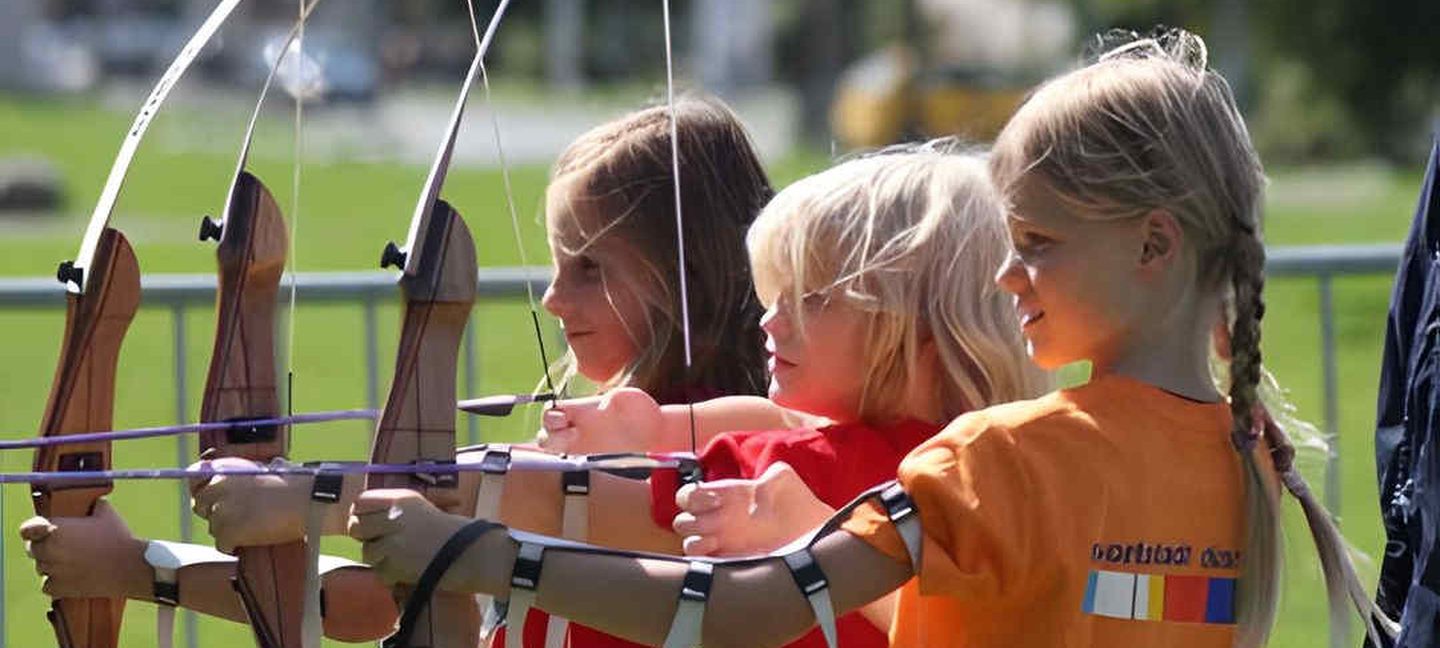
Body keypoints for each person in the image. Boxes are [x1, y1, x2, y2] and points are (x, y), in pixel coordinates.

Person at [348, 28, 1395, 648]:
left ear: (1155, 245)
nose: (1003, 272)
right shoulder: (1244, 458)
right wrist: (814, 529)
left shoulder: (999, 457)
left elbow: (746, 611)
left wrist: (481, 555)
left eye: (1035, 241)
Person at [17, 95, 774, 646]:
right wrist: (131, 566)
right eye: (554, 264)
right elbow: (370, 603)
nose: (552, 296)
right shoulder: (580, 438)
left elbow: (528, 498)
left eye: (589, 268)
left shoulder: (738, 453)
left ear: (689, 276)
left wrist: (307, 498)